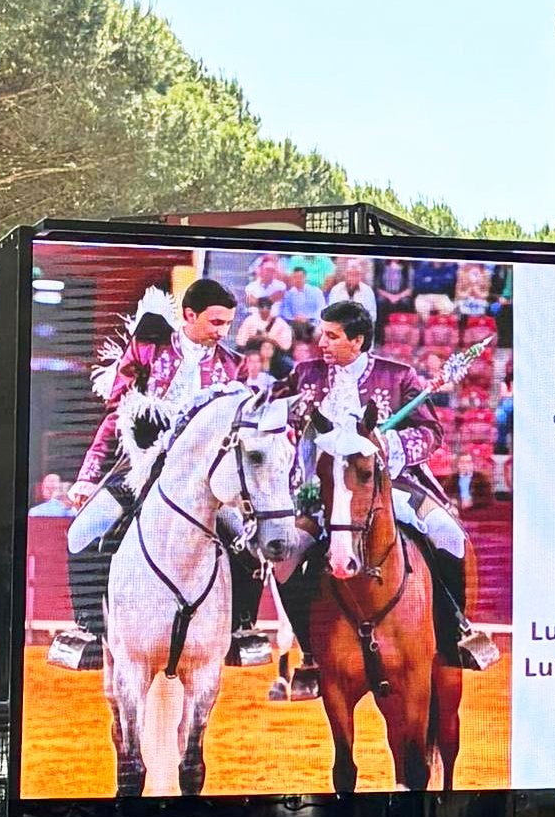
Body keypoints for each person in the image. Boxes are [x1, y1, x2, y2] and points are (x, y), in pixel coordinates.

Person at [278, 297, 500, 695]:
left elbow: (431, 433)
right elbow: (272, 418)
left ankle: (455, 631)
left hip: (391, 485)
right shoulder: (304, 375)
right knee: (285, 553)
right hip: (323, 490)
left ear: (357, 340)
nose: (322, 343)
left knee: (448, 535)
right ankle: (310, 653)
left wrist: (388, 445)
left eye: (332, 336)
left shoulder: (397, 376)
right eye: (322, 334)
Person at [48, 277, 259, 672]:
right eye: (216, 322)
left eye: (228, 324)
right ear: (189, 315)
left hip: (205, 481)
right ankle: (88, 630)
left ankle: (241, 630)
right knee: (81, 532)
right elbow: (118, 415)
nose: (223, 332)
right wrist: (88, 475)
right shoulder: (148, 348)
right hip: (140, 469)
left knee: (248, 541)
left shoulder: (234, 365)